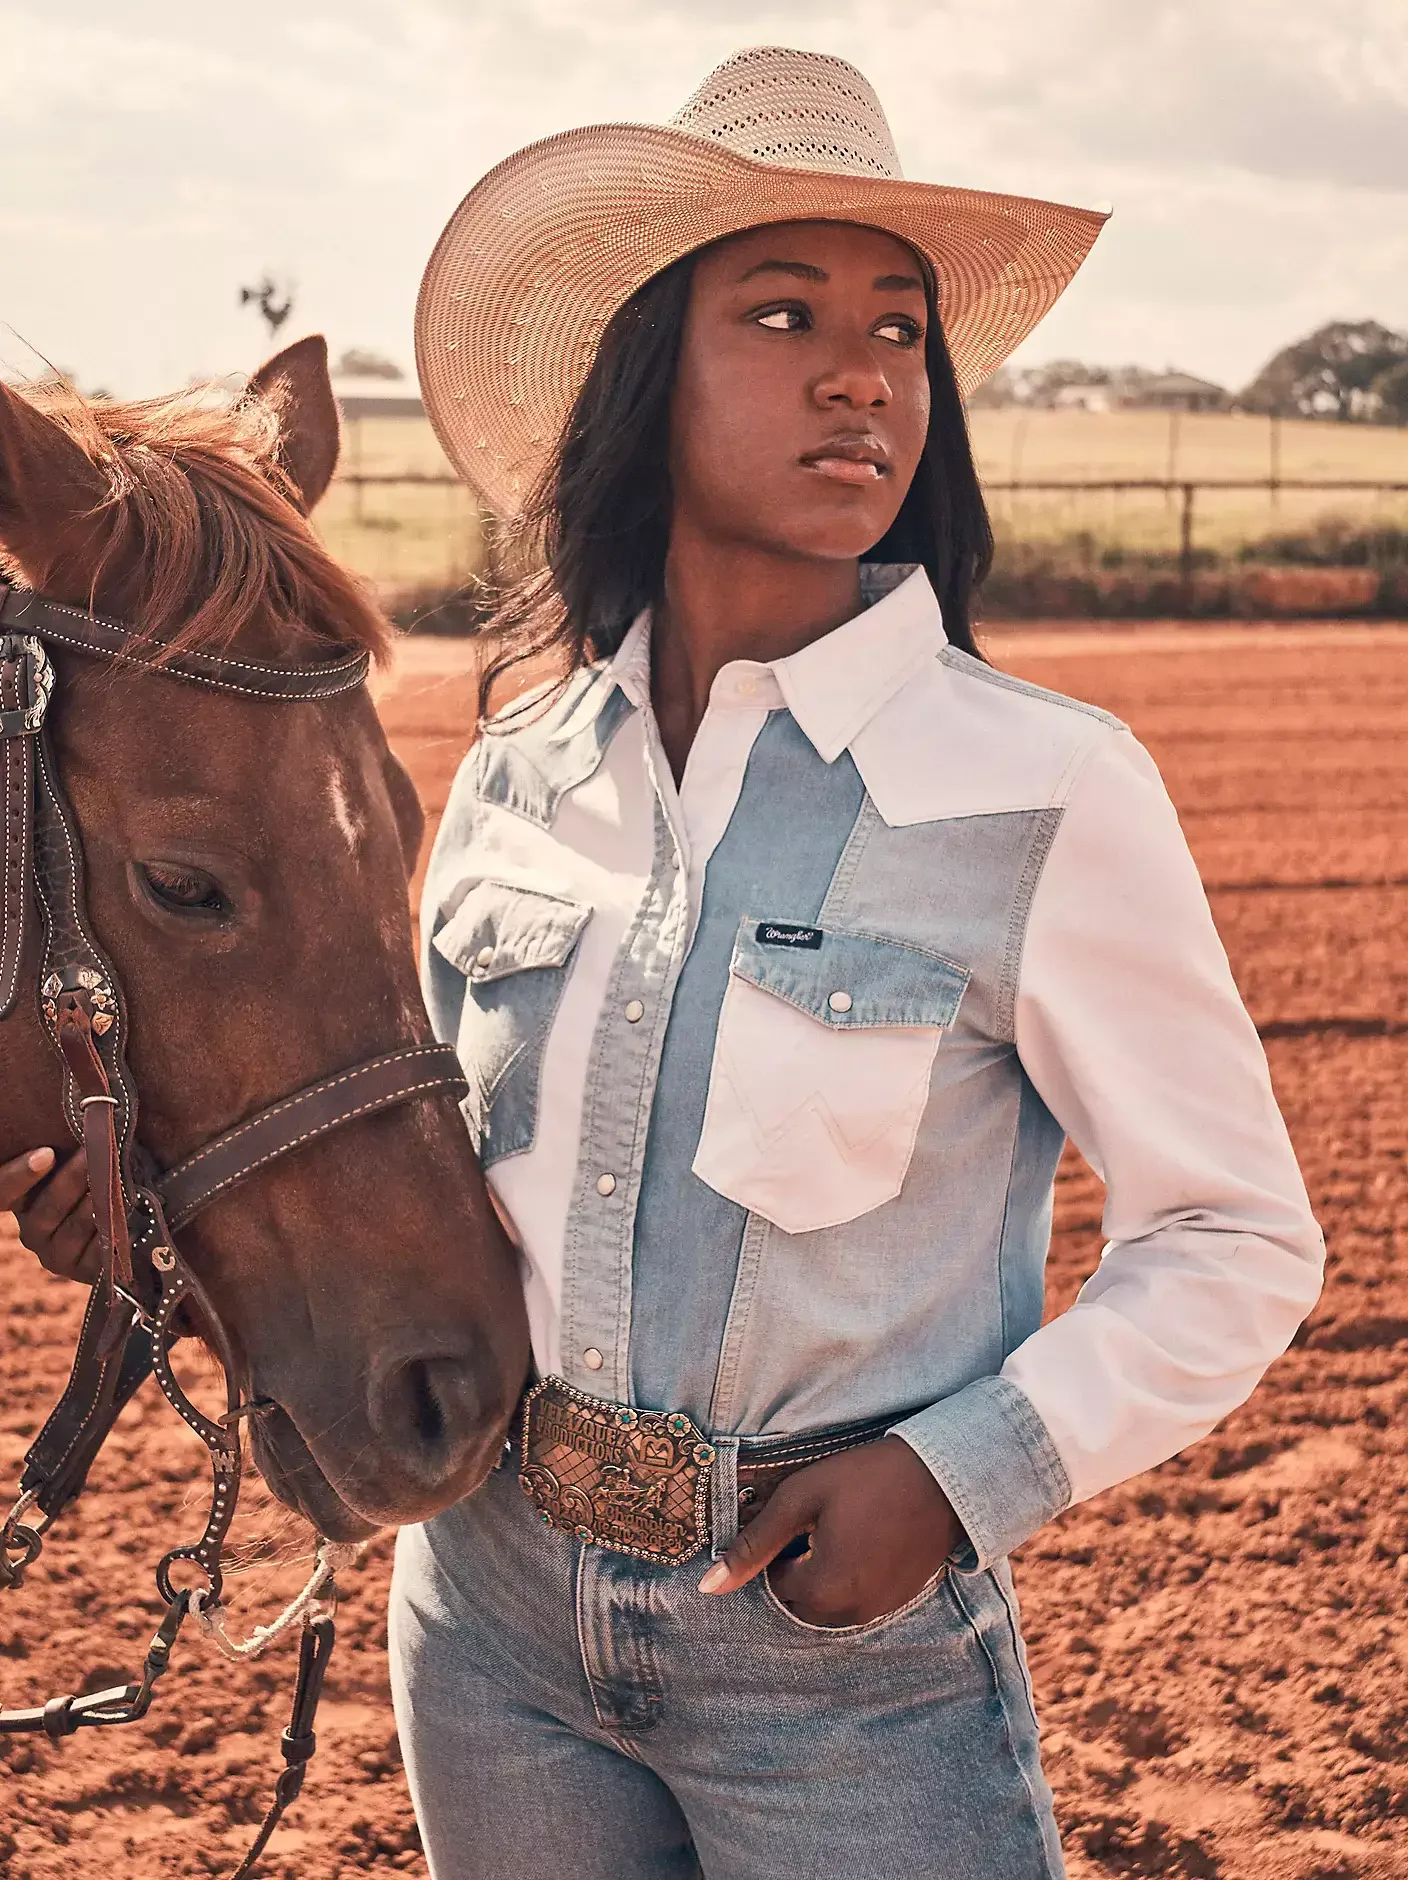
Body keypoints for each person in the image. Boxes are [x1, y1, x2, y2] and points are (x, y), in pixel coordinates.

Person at [11, 46, 1323, 1880]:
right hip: (487, 1629)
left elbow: (1241, 1236)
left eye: (898, 329)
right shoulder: (520, 773)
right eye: (781, 313)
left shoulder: (1042, 791)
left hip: (837, 1668)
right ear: (646, 376)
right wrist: (144, 1215)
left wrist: (961, 1480)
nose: (860, 371)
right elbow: (417, 1163)